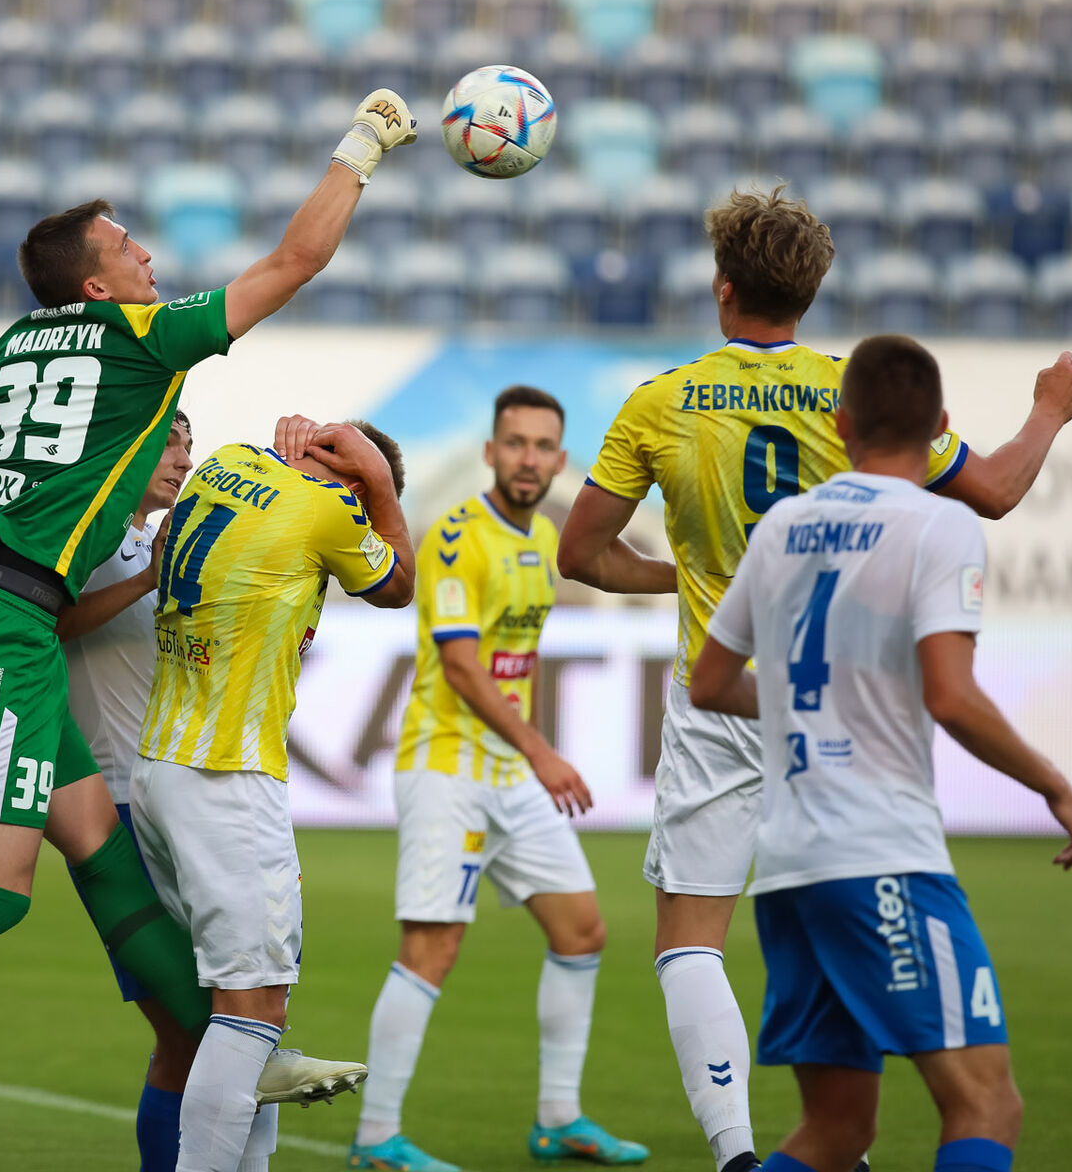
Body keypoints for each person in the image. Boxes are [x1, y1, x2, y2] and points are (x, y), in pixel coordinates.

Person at [0, 89, 419, 1171]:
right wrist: (362, 146)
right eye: (129, 248)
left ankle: (233, 1045)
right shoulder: (139, 342)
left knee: (103, 854)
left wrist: (56, 478)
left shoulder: (5, 351)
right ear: (95, 281)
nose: (148, 262)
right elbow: (294, 262)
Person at [556, 186, 1072, 1172]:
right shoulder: (853, 397)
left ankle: (734, 1152)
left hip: (720, 696)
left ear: (722, 287)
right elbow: (997, 492)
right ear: (810, 292)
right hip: (847, 712)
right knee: (972, 1091)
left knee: (689, 941)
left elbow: (581, 555)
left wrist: (687, 578)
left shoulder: (660, 400)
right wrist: (1047, 412)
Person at [688, 334, 1072, 1172]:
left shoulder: (785, 527)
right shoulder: (939, 526)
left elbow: (707, 682)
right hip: (879, 856)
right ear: (941, 424)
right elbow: (950, 696)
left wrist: (814, 708)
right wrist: (1055, 784)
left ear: (841, 426)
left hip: (790, 867)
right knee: (986, 1102)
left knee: (837, 1131)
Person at [350, 387, 648, 1172]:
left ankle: (558, 1119)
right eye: (513, 443)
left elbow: (532, 649)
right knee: (433, 946)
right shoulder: (455, 538)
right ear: (490, 452)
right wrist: (543, 751)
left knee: (581, 930)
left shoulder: (545, 538)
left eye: (542, 446)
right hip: (446, 762)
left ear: (558, 458)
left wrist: (688, 576)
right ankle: (375, 1137)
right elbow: (462, 664)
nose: (527, 458)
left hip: (506, 768)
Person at [133, 421, 415, 1172]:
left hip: (158, 765)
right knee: (252, 1014)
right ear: (354, 482)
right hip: (226, 774)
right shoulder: (335, 508)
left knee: (239, 1016)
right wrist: (380, 495)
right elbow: (395, 586)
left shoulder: (224, 463)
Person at [58, 411, 197, 1172]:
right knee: (194, 1026)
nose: (183, 454)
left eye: (188, 440)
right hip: (111, 805)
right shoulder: (84, 535)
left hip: (173, 799)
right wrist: (149, 579)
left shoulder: (148, 542)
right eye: (168, 439)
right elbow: (46, 621)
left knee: (191, 1034)